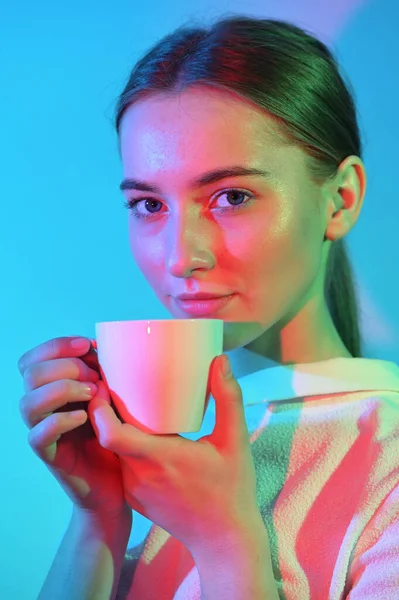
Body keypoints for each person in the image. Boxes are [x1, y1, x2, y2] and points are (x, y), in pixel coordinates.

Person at [17, 14, 399, 600]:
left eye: (231, 196)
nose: (179, 257)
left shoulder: (385, 450)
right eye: (148, 205)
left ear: (340, 199)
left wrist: (225, 543)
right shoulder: (149, 449)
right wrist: (99, 520)